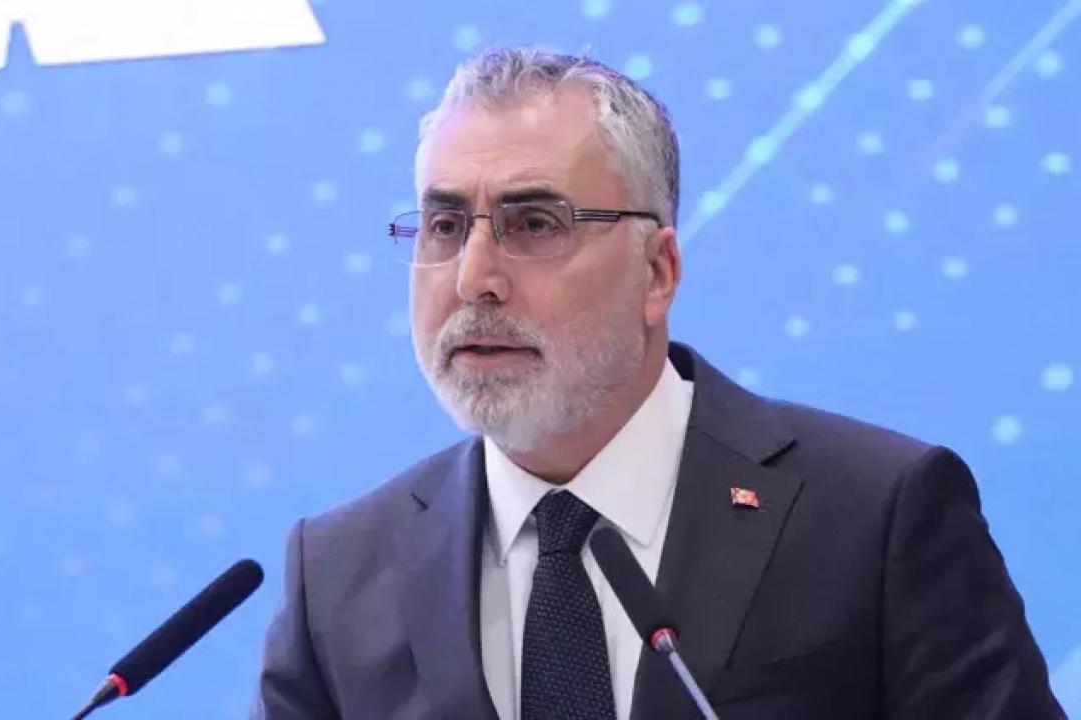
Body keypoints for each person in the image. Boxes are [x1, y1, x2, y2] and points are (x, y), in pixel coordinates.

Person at [254, 46, 1061, 719]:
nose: (474, 279)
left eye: (534, 224)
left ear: (658, 271)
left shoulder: (874, 516)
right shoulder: (338, 575)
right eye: (445, 225)